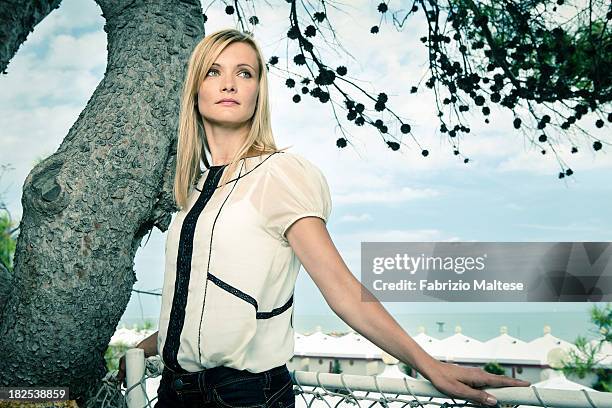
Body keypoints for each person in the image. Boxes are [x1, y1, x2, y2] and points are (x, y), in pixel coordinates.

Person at [117, 28, 531, 408]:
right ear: (195, 91)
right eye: (214, 72)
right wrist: (145, 349)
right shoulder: (190, 193)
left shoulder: (280, 174)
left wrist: (431, 366)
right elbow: (199, 306)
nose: (229, 83)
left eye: (244, 72)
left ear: (259, 91)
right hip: (172, 392)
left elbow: (343, 292)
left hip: (243, 395)